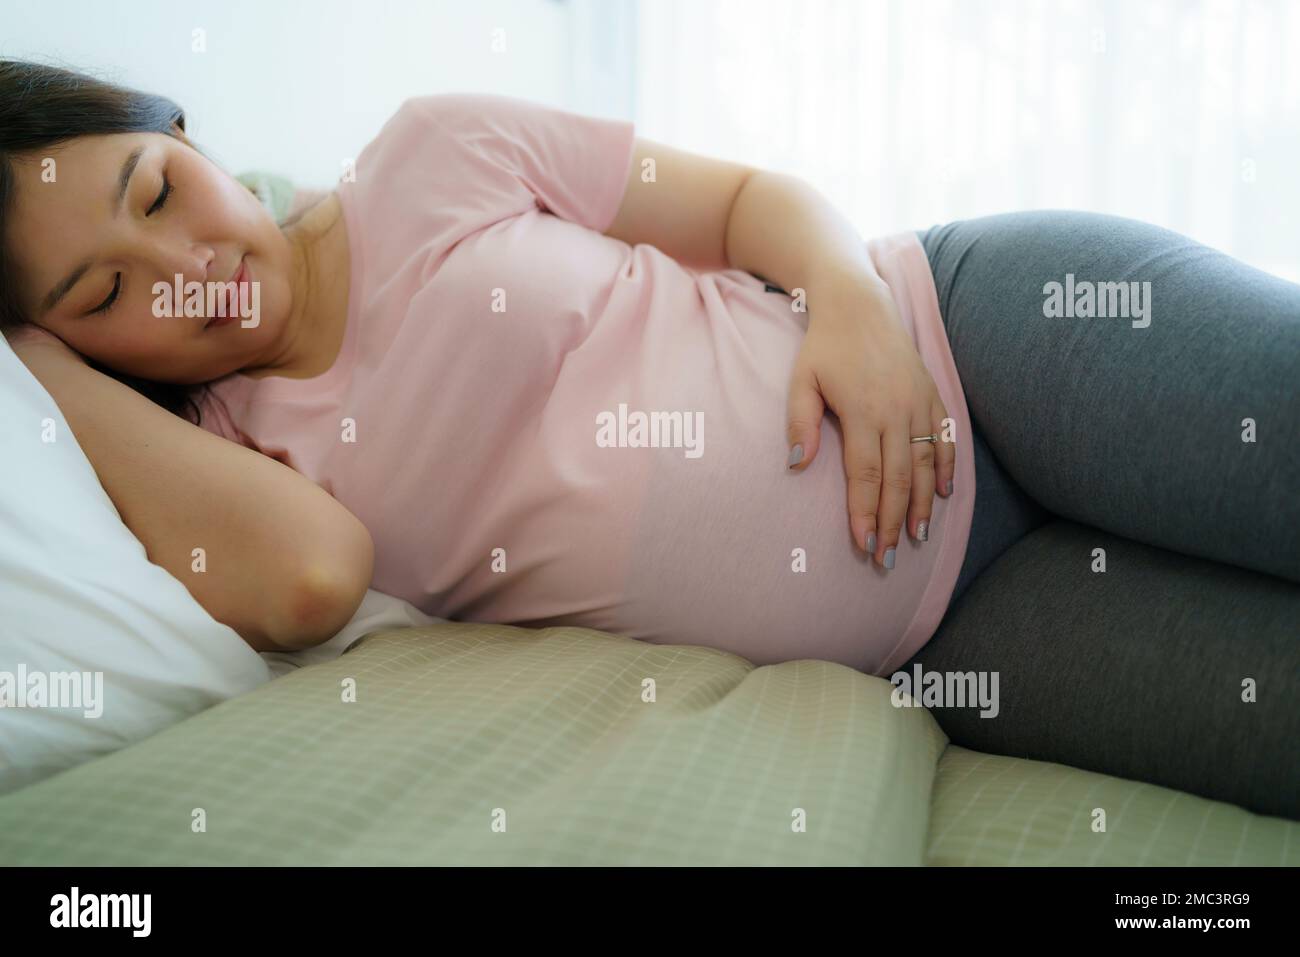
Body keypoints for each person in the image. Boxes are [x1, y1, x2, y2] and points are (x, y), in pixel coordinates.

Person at [2, 60, 1295, 819]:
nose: (181, 273)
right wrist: (43, 362)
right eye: (106, 295)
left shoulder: (429, 155)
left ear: (186, 137)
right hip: (953, 625)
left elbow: (741, 200)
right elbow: (309, 580)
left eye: (158, 195)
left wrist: (848, 306)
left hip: (972, 337)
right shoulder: (235, 462)